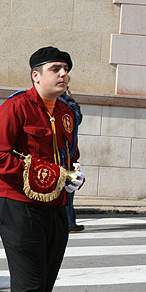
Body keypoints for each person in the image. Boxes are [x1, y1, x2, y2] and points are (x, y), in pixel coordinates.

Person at [0, 46, 85, 292]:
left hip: (55, 207)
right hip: (17, 207)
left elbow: (70, 155)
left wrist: (72, 174)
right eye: (56, 69)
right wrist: (48, 173)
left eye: (66, 69)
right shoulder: (16, 108)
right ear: (36, 75)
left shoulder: (67, 114)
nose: (63, 74)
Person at [60, 85, 84, 232]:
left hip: (67, 154)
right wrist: (70, 98)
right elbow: (77, 117)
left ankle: (69, 221)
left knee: (67, 188)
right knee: (68, 190)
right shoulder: (65, 104)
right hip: (66, 155)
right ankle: (68, 222)